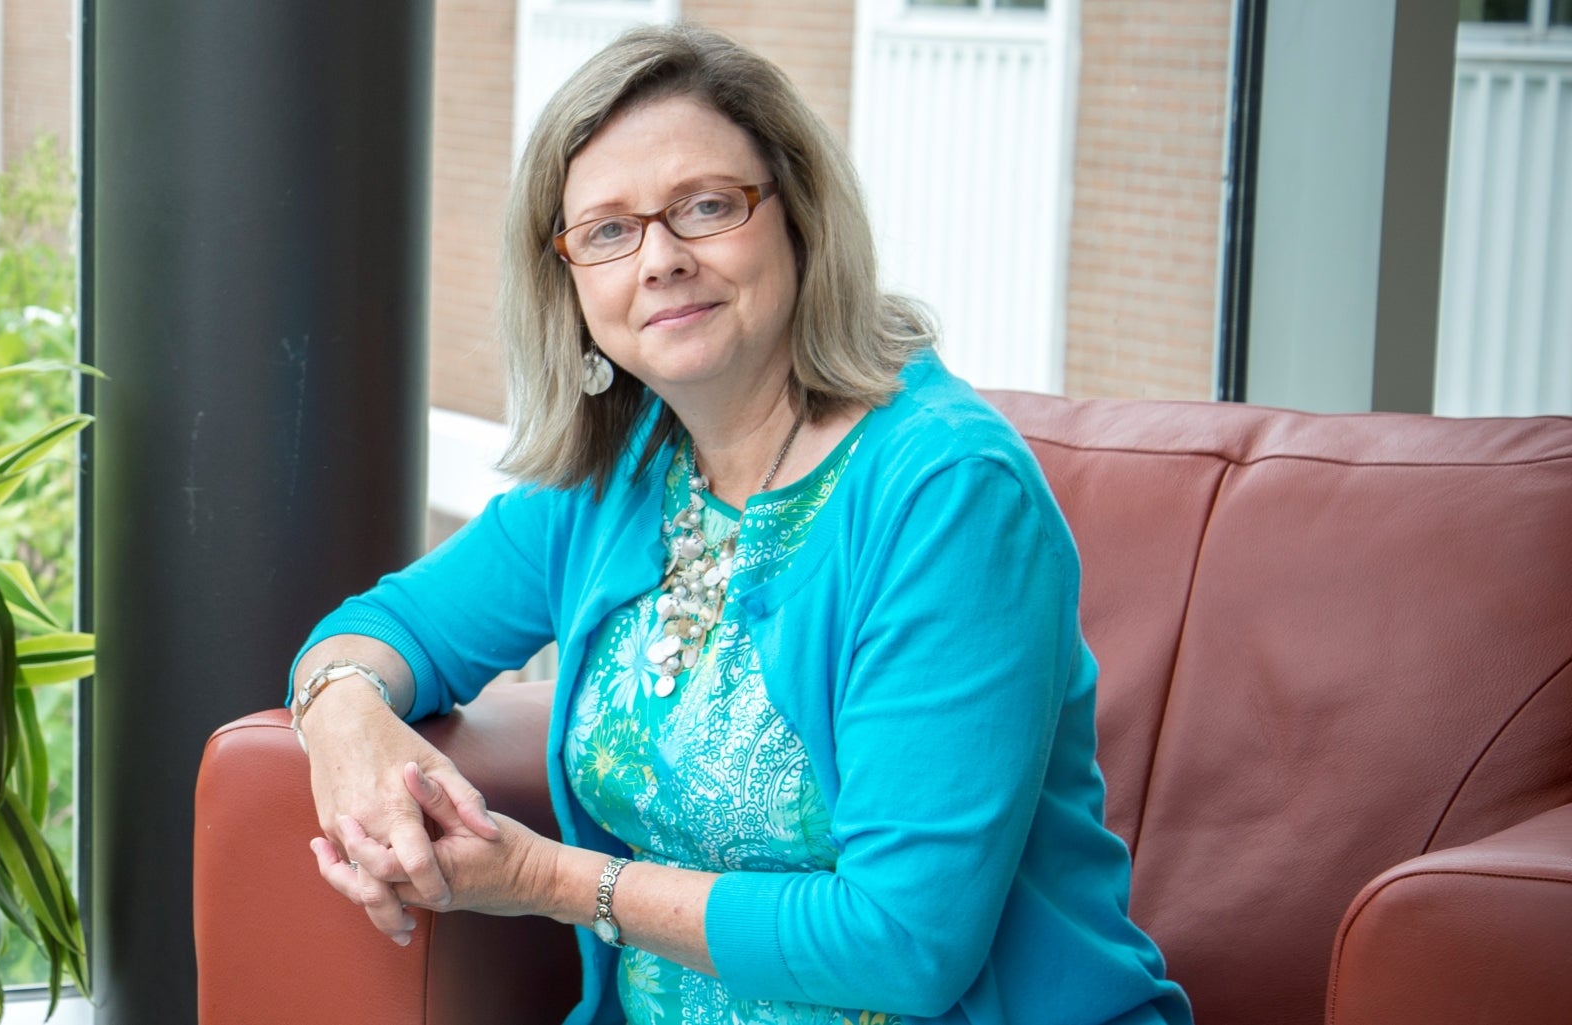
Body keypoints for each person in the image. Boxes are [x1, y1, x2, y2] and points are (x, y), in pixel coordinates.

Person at [287, 23, 1191, 1025]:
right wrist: (345, 719)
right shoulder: (621, 474)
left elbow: (905, 943)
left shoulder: (948, 494)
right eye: (608, 231)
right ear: (571, 283)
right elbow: (391, 626)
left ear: (798, 217)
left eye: (706, 207)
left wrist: (552, 880)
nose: (662, 258)